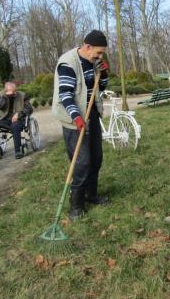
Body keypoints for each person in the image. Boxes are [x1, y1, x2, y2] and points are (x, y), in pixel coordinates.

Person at [52, 30, 109, 220]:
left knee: (96, 158)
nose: (100, 56)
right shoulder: (68, 63)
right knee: (82, 161)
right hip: (74, 118)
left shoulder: (93, 63)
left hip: (91, 114)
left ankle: (91, 195)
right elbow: (66, 94)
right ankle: (76, 205)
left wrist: (104, 72)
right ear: (87, 47)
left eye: (102, 54)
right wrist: (76, 117)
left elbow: (100, 87)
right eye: (98, 53)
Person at [0, 82, 34, 159]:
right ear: (5, 90)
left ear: (15, 89)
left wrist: (18, 114)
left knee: (15, 126)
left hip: (19, 119)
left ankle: (17, 151)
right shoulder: (1, 95)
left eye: (13, 91)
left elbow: (29, 108)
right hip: (5, 119)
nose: (12, 93)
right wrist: (5, 97)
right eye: (10, 91)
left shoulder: (22, 95)